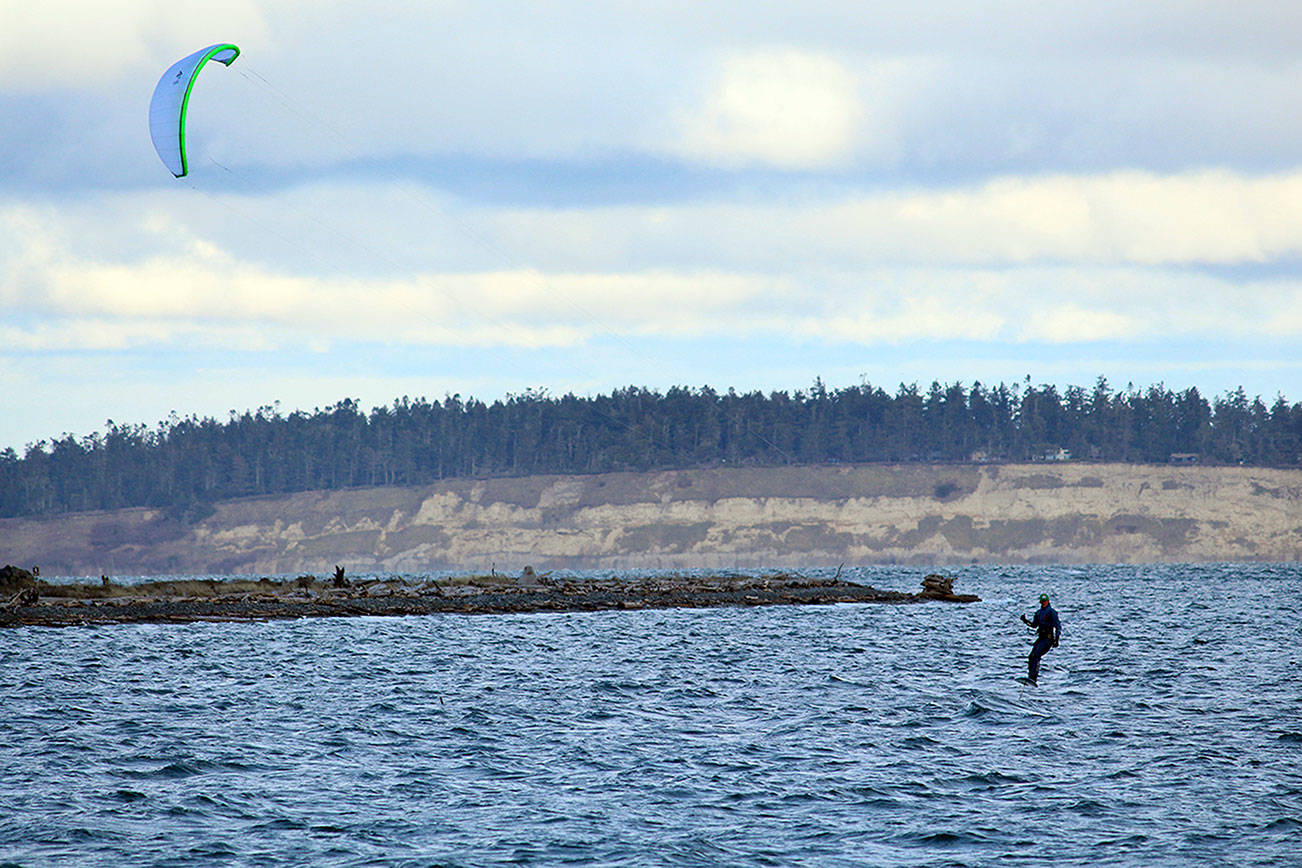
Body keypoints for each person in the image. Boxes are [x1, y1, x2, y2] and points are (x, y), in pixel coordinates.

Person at [1020, 593, 1061, 683]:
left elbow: (1058, 626)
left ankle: (1034, 678)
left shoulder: (1052, 612)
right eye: (1042, 602)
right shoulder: (1038, 613)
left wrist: (1056, 639)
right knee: (1031, 656)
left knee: (1036, 655)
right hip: (1040, 638)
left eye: (1045, 602)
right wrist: (1025, 621)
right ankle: (1030, 676)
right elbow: (1034, 625)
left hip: (1048, 639)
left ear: (1048, 601)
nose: (1043, 603)